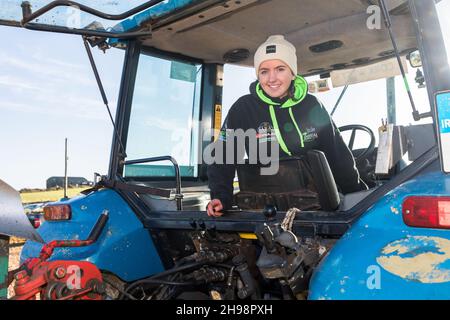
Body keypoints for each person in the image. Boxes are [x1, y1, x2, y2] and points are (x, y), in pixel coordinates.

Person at [207, 35, 364, 217]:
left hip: (318, 210)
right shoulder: (243, 109)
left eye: (280, 69)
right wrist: (220, 197)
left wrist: (357, 196)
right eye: (264, 71)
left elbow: (339, 158)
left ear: (292, 72)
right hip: (263, 210)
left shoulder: (312, 106)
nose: (272, 78)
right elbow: (223, 156)